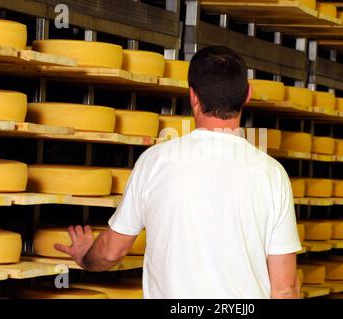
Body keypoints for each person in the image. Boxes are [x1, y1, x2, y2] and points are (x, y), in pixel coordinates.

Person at [55, 46, 302, 299]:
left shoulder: (155, 161)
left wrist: (86, 257)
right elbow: (284, 288)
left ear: (193, 97)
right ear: (247, 95)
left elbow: (110, 252)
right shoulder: (273, 174)